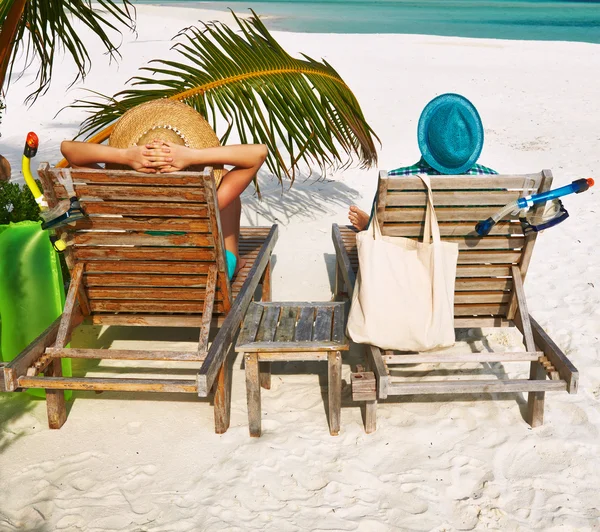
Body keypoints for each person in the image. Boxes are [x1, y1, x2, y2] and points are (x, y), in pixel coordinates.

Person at [60, 100, 267, 279]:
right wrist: (193, 156)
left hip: (151, 275)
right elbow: (258, 153)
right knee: (228, 193)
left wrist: (125, 156)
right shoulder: (204, 204)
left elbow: (68, 149)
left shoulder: (123, 197)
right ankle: (236, 259)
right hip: (202, 279)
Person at [348, 93, 497, 231]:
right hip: (475, 257)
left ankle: (368, 224)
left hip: (414, 257)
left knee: (376, 226)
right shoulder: (495, 181)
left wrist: (370, 225)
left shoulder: (396, 180)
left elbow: (381, 235)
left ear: (428, 140)